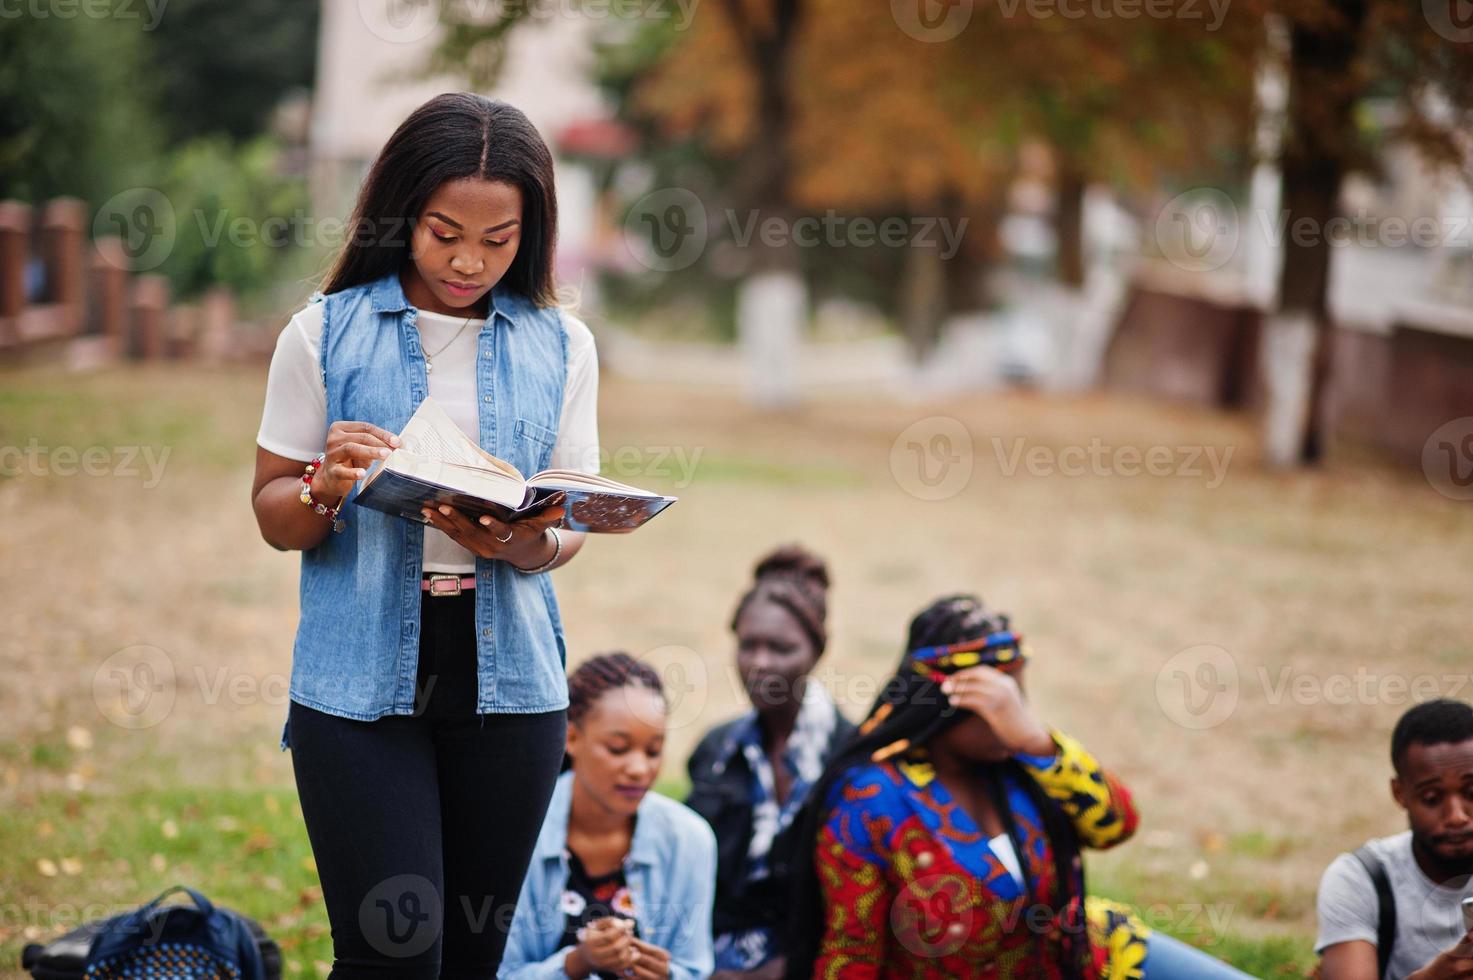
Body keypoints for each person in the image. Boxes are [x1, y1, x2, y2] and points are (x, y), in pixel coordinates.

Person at [251, 93, 601, 977]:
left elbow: (568, 524)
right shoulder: (322, 335)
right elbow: (272, 512)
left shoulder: (562, 345)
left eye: (499, 238)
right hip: (359, 690)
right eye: (445, 231)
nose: (468, 260)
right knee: (393, 956)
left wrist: (519, 544)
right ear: (401, 210)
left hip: (512, 691)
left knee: (469, 958)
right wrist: (324, 488)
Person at [785, 594, 1255, 979]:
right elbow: (853, 954)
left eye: (1020, 697)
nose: (1016, 713)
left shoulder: (1027, 758)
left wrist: (1037, 741)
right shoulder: (871, 802)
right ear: (948, 700)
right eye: (1000, 699)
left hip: (1088, 961)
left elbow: (1116, 825)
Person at [685, 546, 856, 979]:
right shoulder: (717, 753)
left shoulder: (850, 758)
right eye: (748, 646)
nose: (759, 663)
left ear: (818, 650)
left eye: (780, 648)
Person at [501, 653, 717, 979]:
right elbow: (498, 972)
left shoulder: (688, 840)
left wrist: (668, 976)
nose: (639, 769)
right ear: (571, 738)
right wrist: (576, 963)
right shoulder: (516, 832)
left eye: (653, 751)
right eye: (618, 749)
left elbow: (694, 967)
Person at [1316, 699, 1473, 980]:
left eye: (1472, 793)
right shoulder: (1362, 878)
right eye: (1432, 798)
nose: (1457, 816)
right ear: (1400, 793)